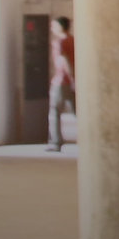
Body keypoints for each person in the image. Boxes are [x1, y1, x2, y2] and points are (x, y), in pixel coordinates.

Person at [48, 16, 76, 152]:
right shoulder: (73, 40)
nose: (52, 28)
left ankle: (56, 142)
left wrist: (71, 78)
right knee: (78, 112)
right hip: (70, 81)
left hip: (61, 81)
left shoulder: (61, 42)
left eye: (53, 25)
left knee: (55, 112)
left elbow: (65, 61)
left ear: (60, 26)